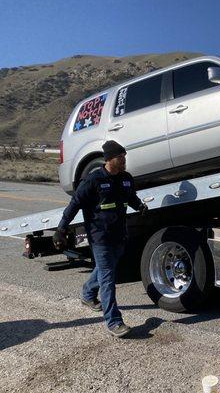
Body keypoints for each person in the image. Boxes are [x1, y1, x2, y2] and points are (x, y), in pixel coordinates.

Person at [53, 140, 147, 337]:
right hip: (100, 236)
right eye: (120, 157)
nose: (124, 160)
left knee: (107, 269)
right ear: (109, 159)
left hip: (119, 235)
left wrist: (139, 206)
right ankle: (114, 322)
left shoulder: (126, 178)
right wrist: (61, 229)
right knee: (108, 277)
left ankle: (87, 294)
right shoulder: (93, 180)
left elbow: (131, 197)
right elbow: (75, 204)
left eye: (124, 156)